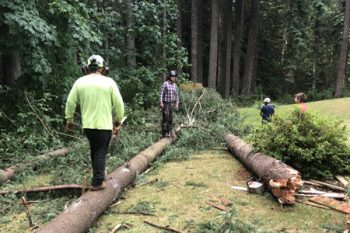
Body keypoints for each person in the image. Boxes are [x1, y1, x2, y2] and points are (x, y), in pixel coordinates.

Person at [65, 55, 124, 191]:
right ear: (103, 68)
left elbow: (70, 102)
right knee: (100, 152)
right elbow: (119, 104)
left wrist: (69, 120)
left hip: (88, 126)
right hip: (103, 125)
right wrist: (118, 120)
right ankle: (97, 182)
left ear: (87, 68)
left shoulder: (79, 82)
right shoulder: (109, 82)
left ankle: (98, 176)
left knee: (95, 150)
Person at [160, 70, 179, 137]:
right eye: (172, 76)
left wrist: (177, 103)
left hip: (171, 103)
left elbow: (176, 95)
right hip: (165, 103)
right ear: (169, 77)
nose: (174, 78)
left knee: (170, 118)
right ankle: (164, 133)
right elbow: (161, 94)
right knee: (166, 117)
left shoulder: (174, 85)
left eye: (174, 76)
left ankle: (169, 131)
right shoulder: (165, 84)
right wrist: (161, 102)